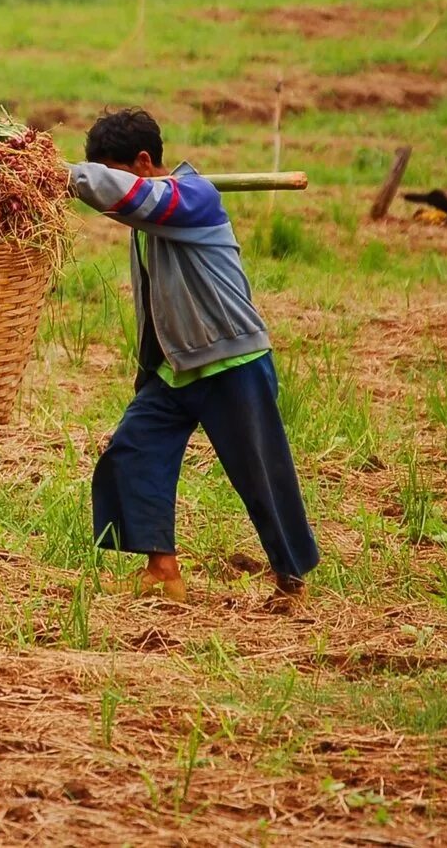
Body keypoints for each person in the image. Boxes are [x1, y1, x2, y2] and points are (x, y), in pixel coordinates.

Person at [66, 108, 318, 603]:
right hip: (175, 369)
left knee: (260, 473)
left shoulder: (192, 196)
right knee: (133, 452)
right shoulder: (145, 214)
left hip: (231, 363)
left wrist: (61, 175)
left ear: (143, 162)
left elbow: (130, 196)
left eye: (113, 172)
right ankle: (162, 571)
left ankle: (291, 577)